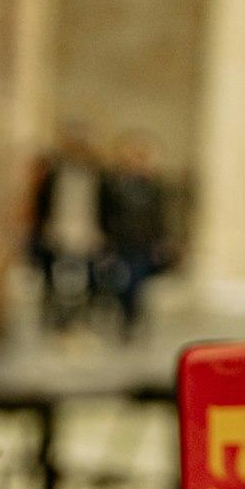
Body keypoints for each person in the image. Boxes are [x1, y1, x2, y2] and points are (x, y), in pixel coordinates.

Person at [96, 131, 173, 337]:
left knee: (136, 284)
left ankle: (130, 319)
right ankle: (124, 316)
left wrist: (161, 241)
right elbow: (105, 212)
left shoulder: (152, 187)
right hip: (120, 242)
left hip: (142, 243)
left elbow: (159, 216)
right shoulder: (114, 184)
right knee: (119, 283)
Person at [29, 125, 103, 329]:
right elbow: (42, 202)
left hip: (86, 230)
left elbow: (103, 204)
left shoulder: (96, 174)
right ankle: (54, 318)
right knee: (53, 278)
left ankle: (82, 318)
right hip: (59, 229)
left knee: (87, 278)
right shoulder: (55, 172)